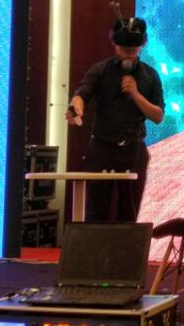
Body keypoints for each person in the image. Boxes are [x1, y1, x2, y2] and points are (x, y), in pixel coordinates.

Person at [65, 17, 165, 222]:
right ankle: (94, 243)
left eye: (133, 45)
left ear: (143, 43)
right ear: (114, 42)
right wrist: (75, 109)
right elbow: (81, 94)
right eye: (123, 44)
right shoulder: (99, 70)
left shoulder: (150, 75)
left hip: (134, 148)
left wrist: (135, 94)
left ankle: (125, 244)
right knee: (95, 211)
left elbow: (158, 116)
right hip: (102, 147)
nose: (128, 49)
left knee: (129, 211)